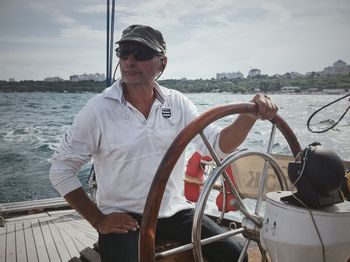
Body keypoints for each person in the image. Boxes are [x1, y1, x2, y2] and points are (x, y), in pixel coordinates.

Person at [49, 24, 278, 262]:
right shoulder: (98, 110)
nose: (129, 61)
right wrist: (98, 219)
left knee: (235, 256)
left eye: (141, 54)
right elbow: (61, 170)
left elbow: (218, 145)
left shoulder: (177, 103)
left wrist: (249, 115)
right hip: (125, 217)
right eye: (124, 52)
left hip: (175, 211)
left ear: (162, 63)